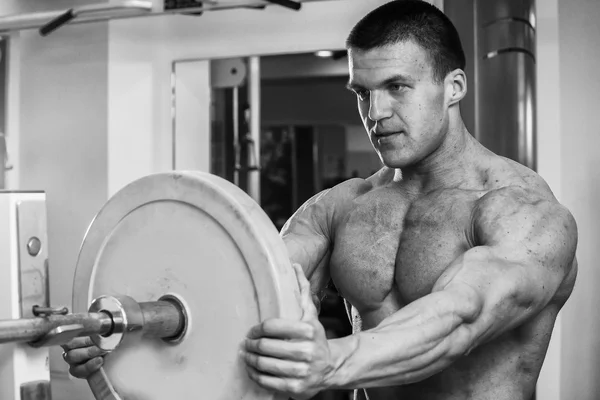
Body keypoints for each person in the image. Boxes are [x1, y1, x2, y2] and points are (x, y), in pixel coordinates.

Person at [62, 1, 578, 399]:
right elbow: (241, 306)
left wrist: (331, 362)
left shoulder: (522, 214)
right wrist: (127, 336)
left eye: (397, 86)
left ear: (454, 87)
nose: (376, 111)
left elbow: (460, 318)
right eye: (361, 92)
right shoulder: (339, 208)